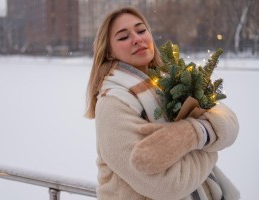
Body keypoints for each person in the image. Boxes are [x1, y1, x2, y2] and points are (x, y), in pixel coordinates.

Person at [85, 7, 240, 200]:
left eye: (141, 31)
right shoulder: (113, 104)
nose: (137, 39)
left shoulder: (171, 81)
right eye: (123, 37)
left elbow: (229, 121)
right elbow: (169, 186)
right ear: (108, 52)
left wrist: (194, 134)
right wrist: (210, 146)